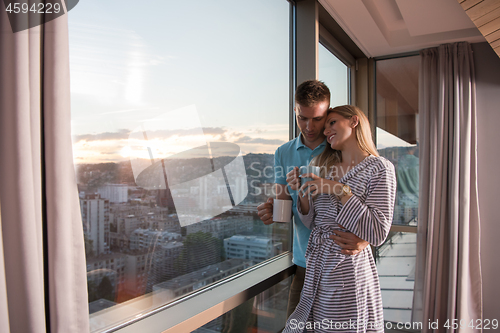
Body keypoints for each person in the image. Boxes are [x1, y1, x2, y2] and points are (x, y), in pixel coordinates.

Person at [257, 81, 369, 318]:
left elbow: (371, 203)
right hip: (304, 263)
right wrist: (272, 209)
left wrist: (366, 239)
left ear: (328, 113)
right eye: (302, 118)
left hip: (342, 262)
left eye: (317, 119)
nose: (309, 127)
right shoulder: (283, 153)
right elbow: (283, 210)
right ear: (295, 112)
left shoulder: (341, 146)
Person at [282, 105, 397, 332]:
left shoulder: (380, 168)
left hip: (347, 270)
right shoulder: (326, 168)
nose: (326, 131)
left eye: (332, 123)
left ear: (354, 121)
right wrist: (301, 192)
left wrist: (339, 190)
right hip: (317, 267)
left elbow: (377, 232)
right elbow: (313, 223)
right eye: (325, 127)